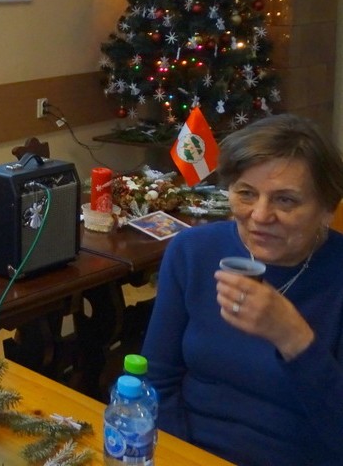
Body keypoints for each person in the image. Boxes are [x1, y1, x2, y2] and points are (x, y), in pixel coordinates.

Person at [142, 114, 343, 466]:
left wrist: (294, 338)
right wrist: (181, 457)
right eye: (246, 193)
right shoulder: (192, 251)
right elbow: (156, 380)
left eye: (285, 200)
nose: (260, 216)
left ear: (327, 209)